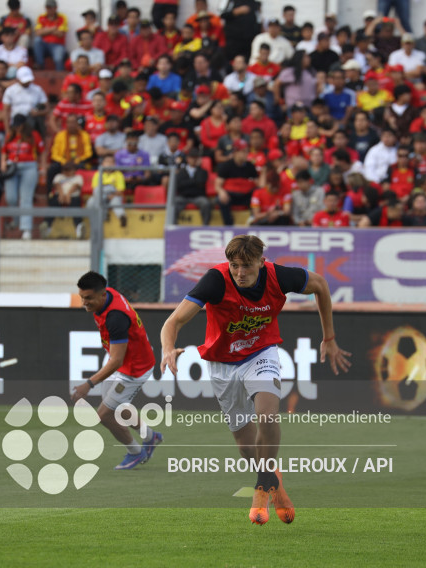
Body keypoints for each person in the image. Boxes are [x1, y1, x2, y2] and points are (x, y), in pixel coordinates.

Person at [160, 234, 350, 525]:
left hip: (262, 353)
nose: (240, 273)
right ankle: (275, 481)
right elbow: (173, 322)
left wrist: (330, 338)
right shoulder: (215, 280)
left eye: (247, 265)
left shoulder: (279, 277)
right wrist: (167, 348)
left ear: (262, 262)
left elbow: (321, 285)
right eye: (234, 265)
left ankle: (262, 489)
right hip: (222, 365)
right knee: (246, 448)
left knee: (268, 415)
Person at [71, 271, 162, 470]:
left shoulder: (116, 318)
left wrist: (88, 384)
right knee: (116, 407)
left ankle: (135, 452)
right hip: (123, 360)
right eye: (82, 297)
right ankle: (150, 436)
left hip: (133, 369)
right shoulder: (107, 295)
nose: (84, 302)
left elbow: (116, 360)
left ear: (102, 295)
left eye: (88, 298)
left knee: (104, 414)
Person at [174, 147, 211, 224]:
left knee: (205, 203)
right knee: (174, 203)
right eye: (192, 157)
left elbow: (200, 182)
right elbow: (179, 185)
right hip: (183, 196)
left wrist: (187, 183)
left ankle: (205, 226)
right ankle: (174, 226)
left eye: (196, 158)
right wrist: (194, 182)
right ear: (187, 159)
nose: (194, 159)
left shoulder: (203, 171)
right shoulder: (181, 172)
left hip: (198, 196)